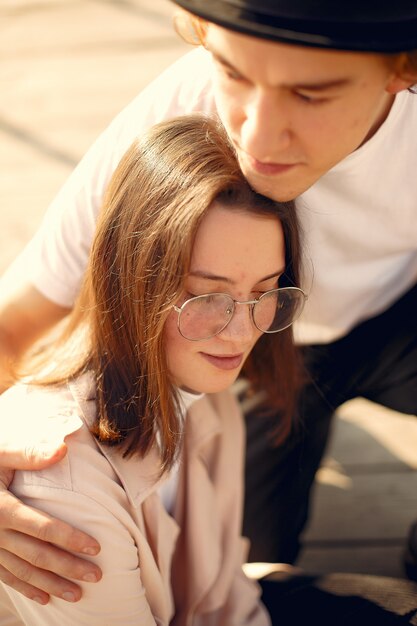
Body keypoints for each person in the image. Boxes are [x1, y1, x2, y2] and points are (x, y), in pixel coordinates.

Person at [0, 0, 416, 604]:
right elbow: (13, 325)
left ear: (403, 69)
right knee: (221, 566)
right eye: (234, 73)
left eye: (311, 94)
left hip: (400, 314)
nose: (257, 134)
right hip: (257, 342)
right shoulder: (165, 134)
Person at [0, 113, 305, 625]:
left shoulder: (210, 393)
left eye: (263, 291)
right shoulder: (60, 484)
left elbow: (228, 600)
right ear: (132, 281)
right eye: (206, 295)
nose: (241, 332)